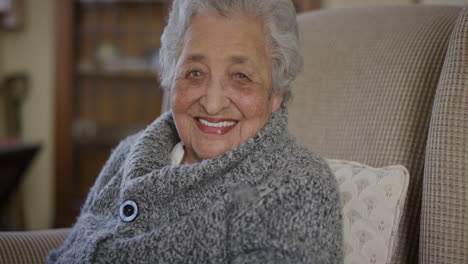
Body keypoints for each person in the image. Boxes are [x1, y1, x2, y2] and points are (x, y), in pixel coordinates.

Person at [47, 0, 343, 263]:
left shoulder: (300, 184)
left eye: (241, 76)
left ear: (276, 93)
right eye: (195, 73)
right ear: (171, 78)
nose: (212, 104)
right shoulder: (129, 152)